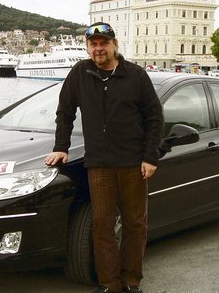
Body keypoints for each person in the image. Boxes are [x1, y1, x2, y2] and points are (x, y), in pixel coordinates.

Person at [45, 22, 164, 293]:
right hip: (98, 164)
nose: (98, 48)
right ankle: (110, 283)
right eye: (93, 44)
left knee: (135, 224)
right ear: (88, 47)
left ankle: (132, 281)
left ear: (114, 45)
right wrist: (61, 146)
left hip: (133, 163)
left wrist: (150, 157)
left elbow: (154, 117)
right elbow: (65, 112)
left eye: (103, 43)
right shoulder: (80, 73)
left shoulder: (135, 76)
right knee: (102, 225)